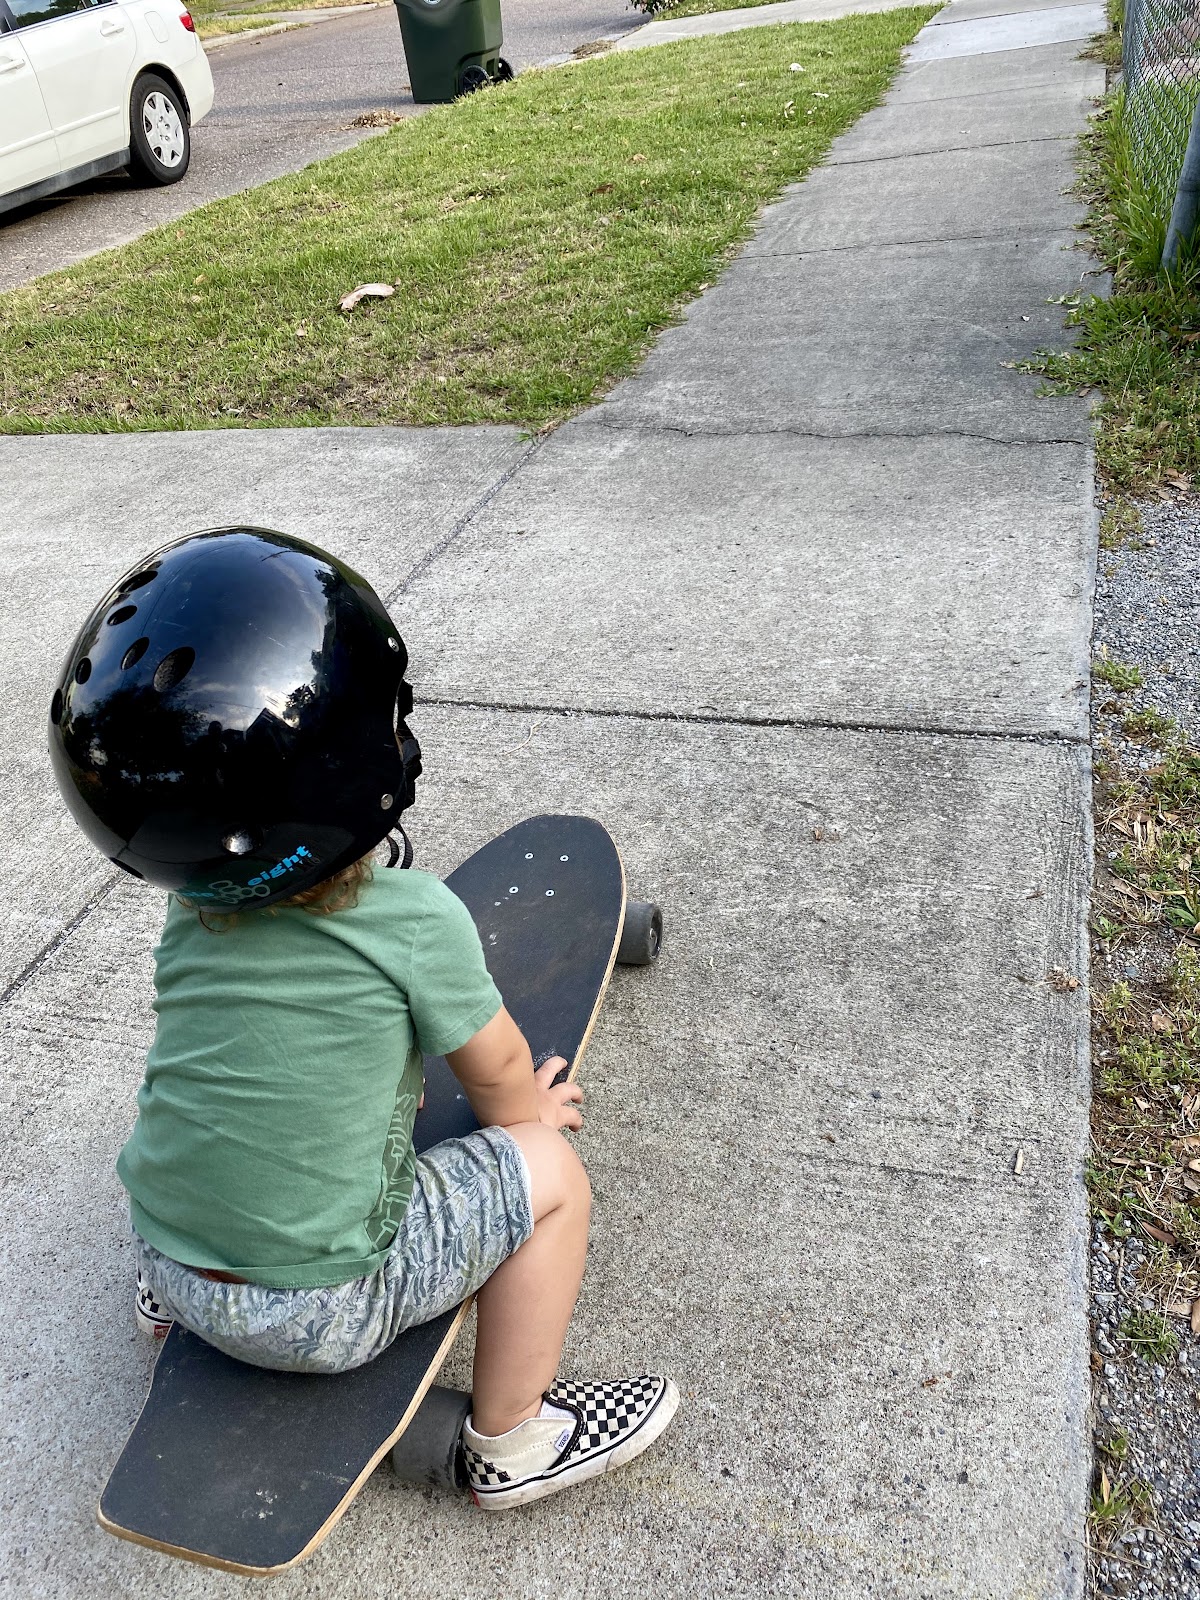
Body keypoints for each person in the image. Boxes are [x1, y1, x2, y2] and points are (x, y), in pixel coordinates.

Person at [49, 526, 677, 1510]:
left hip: (168, 1257)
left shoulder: (189, 909)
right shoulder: (415, 920)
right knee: (552, 1176)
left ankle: (175, 1314)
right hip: (325, 1306)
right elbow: (501, 1075)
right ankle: (514, 1439)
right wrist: (530, 1120)